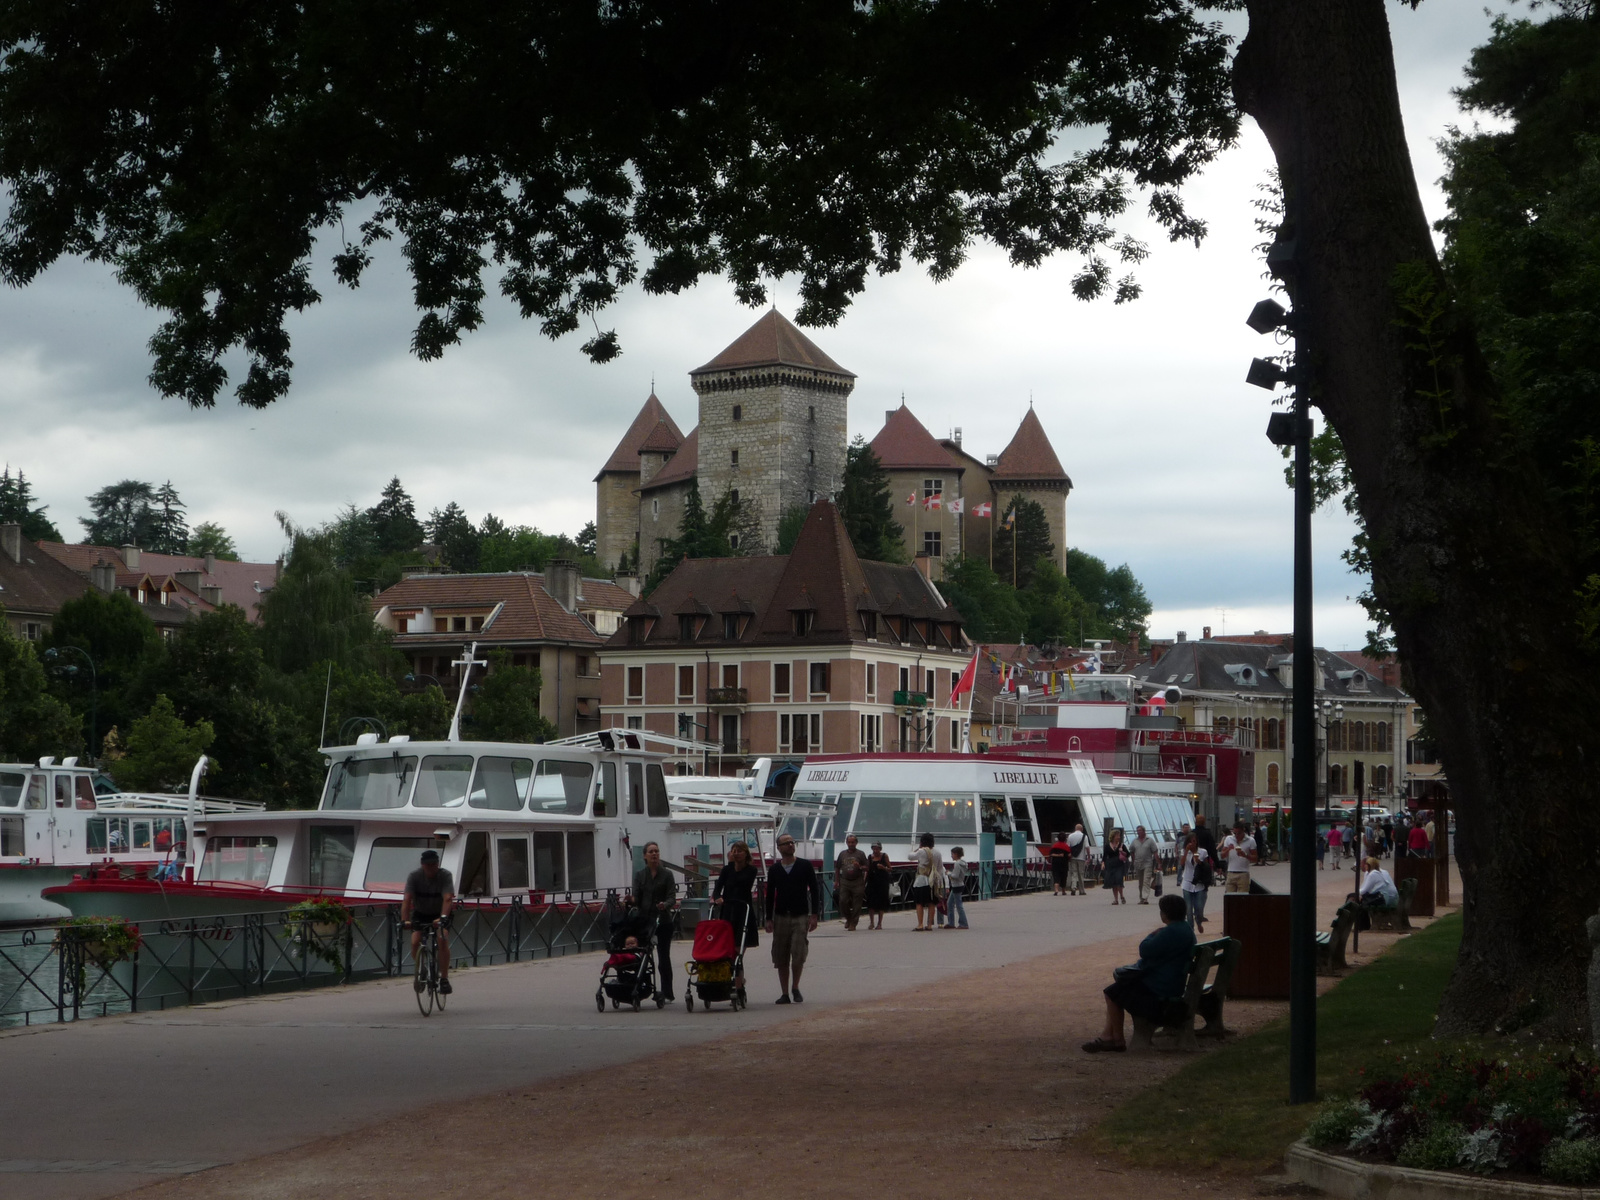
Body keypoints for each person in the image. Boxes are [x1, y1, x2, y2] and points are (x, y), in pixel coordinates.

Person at [1082, 893, 1197, 1052]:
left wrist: (1153, 933)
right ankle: (1109, 1036)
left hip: (1160, 989)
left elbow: (1145, 949)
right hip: (1171, 982)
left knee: (1112, 993)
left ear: (1165, 914)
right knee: (1116, 990)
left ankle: (1116, 1039)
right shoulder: (1185, 929)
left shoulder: (1171, 932)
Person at [764, 832, 822, 1003]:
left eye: (792, 842)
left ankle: (795, 987)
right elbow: (769, 895)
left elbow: (815, 889)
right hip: (781, 915)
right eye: (786, 843)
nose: (790, 845)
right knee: (781, 956)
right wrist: (768, 918)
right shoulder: (775, 869)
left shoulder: (805, 865)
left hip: (800, 915)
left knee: (798, 953)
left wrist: (814, 914)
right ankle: (784, 993)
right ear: (779, 848)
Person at [402, 848, 455, 995]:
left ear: (438, 864)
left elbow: (448, 898)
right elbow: (407, 899)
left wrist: (443, 917)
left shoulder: (445, 875)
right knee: (415, 941)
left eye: (433, 864)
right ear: (422, 865)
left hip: (440, 913)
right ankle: (421, 967)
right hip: (421, 913)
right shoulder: (414, 876)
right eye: (427, 865)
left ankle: (444, 979)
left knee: (442, 938)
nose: (430, 868)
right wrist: (404, 920)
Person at [711, 840, 758, 999]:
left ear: (745, 854)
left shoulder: (751, 870)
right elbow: (718, 888)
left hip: (742, 911)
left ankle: (738, 983)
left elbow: (743, 885)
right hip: (728, 911)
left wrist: (737, 866)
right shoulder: (726, 870)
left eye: (739, 851)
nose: (736, 853)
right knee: (728, 951)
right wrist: (718, 898)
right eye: (733, 850)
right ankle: (737, 981)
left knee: (738, 951)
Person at [631, 840, 677, 1002]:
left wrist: (665, 905)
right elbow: (636, 898)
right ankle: (642, 988)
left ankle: (667, 992)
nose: (654, 854)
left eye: (656, 851)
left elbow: (672, 896)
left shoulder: (667, 874)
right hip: (646, 922)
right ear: (645, 856)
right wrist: (630, 901)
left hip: (663, 921)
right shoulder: (640, 875)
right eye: (651, 852)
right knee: (644, 956)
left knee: (663, 958)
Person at [1350, 856, 1399, 928]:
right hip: (1384, 897)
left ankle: (1357, 924)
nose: (1363, 866)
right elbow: (1365, 888)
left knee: (1354, 898)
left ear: (1370, 865)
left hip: (1382, 898)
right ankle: (1361, 925)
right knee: (1355, 898)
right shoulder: (1376, 872)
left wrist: (1357, 894)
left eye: (1365, 864)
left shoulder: (1373, 874)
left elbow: (1364, 889)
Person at [834, 834, 869, 931]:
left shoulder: (860, 854)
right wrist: (836, 881)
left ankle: (854, 923)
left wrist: (860, 867)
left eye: (853, 842)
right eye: (849, 842)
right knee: (843, 901)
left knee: (857, 903)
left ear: (856, 843)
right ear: (846, 843)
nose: (851, 844)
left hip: (857, 881)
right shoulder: (842, 854)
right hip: (845, 881)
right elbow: (837, 867)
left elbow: (867, 867)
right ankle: (848, 919)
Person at [1178, 837, 1211, 933]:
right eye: (1190, 842)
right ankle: (1190, 930)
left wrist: (1199, 861)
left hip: (1199, 883)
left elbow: (1206, 866)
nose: (1192, 843)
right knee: (1188, 910)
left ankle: (1199, 921)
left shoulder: (1202, 852)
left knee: (1199, 908)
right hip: (1187, 882)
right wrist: (1186, 851)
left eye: (1194, 841)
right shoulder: (1185, 851)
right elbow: (1182, 864)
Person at [911, 832, 939, 930]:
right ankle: (930, 925)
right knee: (931, 902)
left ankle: (920, 924)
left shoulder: (921, 851)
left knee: (919, 903)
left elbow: (910, 857)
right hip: (933, 880)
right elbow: (939, 868)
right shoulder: (937, 853)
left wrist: (917, 849)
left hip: (921, 879)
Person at [1221, 821, 1257, 893]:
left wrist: (1245, 855)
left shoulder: (1250, 840)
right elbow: (1222, 855)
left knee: (1242, 900)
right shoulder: (1229, 839)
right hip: (1231, 872)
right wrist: (1228, 849)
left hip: (1243, 873)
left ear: (1243, 830)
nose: (1236, 835)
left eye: (1239, 833)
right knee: (1230, 899)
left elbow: (1255, 858)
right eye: (1235, 833)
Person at [940, 847, 970, 929]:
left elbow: (955, 875)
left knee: (958, 905)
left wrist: (949, 873)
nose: (951, 856)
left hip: (956, 885)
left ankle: (962, 923)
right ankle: (952, 922)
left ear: (956, 854)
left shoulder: (957, 864)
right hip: (959, 885)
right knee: (950, 904)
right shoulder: (963, 863)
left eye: (952, 854)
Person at [864, 842, 892, 930]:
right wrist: (864, 881)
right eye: (874, 849)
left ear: (880, 849)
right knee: (871, 902)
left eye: (877, 849)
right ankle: (871, 922)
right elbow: (867, 869)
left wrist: (883, 868)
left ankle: (879, 923)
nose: (875, 851)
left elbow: (890, 868)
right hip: (872, 881)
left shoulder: (884, 856)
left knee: (881, 902)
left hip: (882, 881)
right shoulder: (870, 857)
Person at [1130, 825, 1157, 904]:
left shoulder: (1150, 840)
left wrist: (1159, 863)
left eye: (1140, 830)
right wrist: (1133, 860)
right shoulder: (1135, 841)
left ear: (1144, 831)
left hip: (1147, 863)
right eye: (1137, 831)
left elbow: (1155, 852)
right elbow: (1131, 850)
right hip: (1138, 863)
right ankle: (1141, 897)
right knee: (1140, 882)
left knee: (1146, 880)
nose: (1138, 832)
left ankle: (1145, 898)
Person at [1103, 828, 1128, 905]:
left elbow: (1128, 854)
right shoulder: (1107, 846)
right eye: (1117, 835)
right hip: (1111, 865)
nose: (1119, 837)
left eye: (1119, 835)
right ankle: (1116, 899)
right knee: (1114, 883)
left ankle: (1122, 896)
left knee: (1119, 881)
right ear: (1113, 836)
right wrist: (1103, 863)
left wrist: (1122, 851)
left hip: (1119, 864)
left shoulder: (1121, 845)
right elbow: (1105, 856)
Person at [1067, 824, 1089, 896]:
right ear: (1082, 829)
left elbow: (1068, 847)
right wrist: (1088, 857)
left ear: (1075, 828)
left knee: (1074, 873)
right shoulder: (1084, 836)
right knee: (1081, 874)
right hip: (1081, 858)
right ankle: (1081, 890)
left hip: (1073, 858)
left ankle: (1073, 887)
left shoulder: (1070, 836)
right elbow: (1087, 847)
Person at [1048, 831, 1071, 895]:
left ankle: (1056, 890)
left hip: (1055, 863)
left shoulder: (1055, 846)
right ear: (1065, 839)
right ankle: (1063, 891)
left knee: (1056, 876)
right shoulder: (1066, 846)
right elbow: (1069, 855)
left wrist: (1057, 855)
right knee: (1064, 876)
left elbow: (1051, 854)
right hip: (1064, 864)